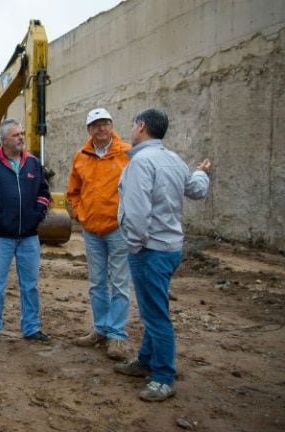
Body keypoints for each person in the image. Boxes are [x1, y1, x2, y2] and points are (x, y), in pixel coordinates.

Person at [114, 108, 211, 402]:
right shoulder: (173, 159)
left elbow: (137, 213)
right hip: (170, 249)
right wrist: (202, 173)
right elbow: (195, 190)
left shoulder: (140, 163)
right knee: (154, 308)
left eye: (133, 124)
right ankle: (145, 360)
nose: (131, 129)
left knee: (156, 316)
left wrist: (135, 244)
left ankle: (164, 377)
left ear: (141, 126)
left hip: (150, 251)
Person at [0, 118, 51, 343]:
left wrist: (37, 216)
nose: (21, 138)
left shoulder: (33, 163)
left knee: (30, 284)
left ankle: (31, 327)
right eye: (16, 135)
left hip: (29, 237)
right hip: (0, 237)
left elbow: (44, 193)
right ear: (4, 140)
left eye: (22, 133)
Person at [66, 108, 133, 360]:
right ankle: (101, 329)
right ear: (89, 130)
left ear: (112, 125)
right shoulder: (81, 157)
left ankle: (117, 335)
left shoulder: (127, 153)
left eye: (105, 123)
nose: (101, 128)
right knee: (97, 283)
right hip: (92, 231)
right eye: (96, 125)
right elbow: (73, 192)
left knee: (119, 283)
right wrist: (81, 214)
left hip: (117, 230)